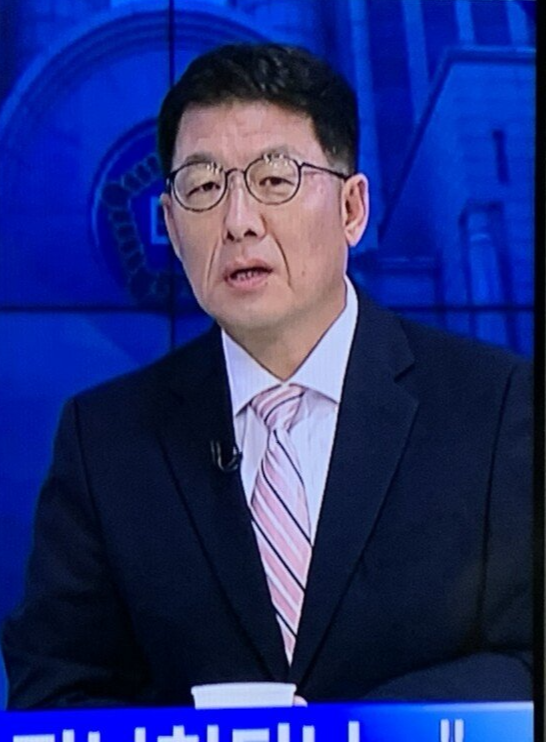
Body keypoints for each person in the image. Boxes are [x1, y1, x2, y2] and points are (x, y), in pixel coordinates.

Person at [2, 43, 532, 708]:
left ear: (352, 209)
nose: (238, 222)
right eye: (203, 188)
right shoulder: (103, 440)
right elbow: (55, 690)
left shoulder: (495, 407)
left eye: (275, 180)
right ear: (170, 225)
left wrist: (354, 730)